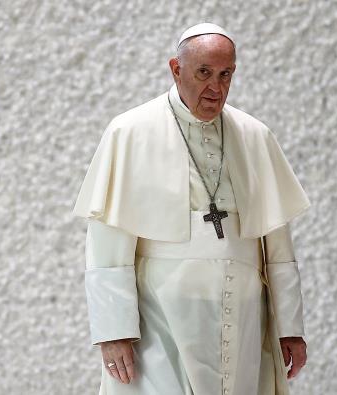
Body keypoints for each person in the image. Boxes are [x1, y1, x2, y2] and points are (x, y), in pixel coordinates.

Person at [73, 22, 310, 395]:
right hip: (161, 317)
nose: (215, 88)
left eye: (225, 74)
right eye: (204, 73)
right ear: (176, 69)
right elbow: (107, 245)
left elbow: (278, 246)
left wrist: (290, 326)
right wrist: (114, 332)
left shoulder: (255, 136)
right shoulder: (130, 132)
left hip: (243, 319)